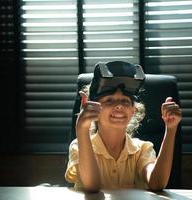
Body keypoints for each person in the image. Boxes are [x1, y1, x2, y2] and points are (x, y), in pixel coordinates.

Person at [65, 61, 182, 192]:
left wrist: (171, 129)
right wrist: (82, 130)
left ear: (133, 111)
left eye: (125, 101)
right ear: (95, 109)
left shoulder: (142, 149)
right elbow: (92, 186)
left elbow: (157, 183)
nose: (119, 106)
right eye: (109, 100)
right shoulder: (79, 146)